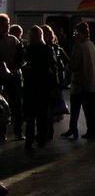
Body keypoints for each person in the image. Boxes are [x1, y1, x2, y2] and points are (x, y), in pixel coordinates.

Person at [21, 26, 59, 151]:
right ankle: (41, 139)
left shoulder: (26, 50)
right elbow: (54, 68)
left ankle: (29, 140)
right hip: (43, 86)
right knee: (42, 115)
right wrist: (55, 86)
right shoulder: (47, 49)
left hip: (30, 86)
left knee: (30, 116)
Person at [64, 22, 95, 140]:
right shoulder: (92, 45)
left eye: (76, 33)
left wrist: (67, 66)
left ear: (82, 34)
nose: (75, 35)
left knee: (76, 109)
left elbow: (74, 65)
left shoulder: (79, 46)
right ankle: (91, 130)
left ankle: (73, 129)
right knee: (90, 110)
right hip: (92, 82)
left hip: (80, 84)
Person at [0, 13, 25, 142]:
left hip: (12, 76)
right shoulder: (14, 40)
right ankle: (7, 132)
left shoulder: (14, 40)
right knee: (4, 107)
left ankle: (16, 132)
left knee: (14, 106)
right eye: (6, 24)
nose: (8, 26)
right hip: (10, 76)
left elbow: (22, 58)